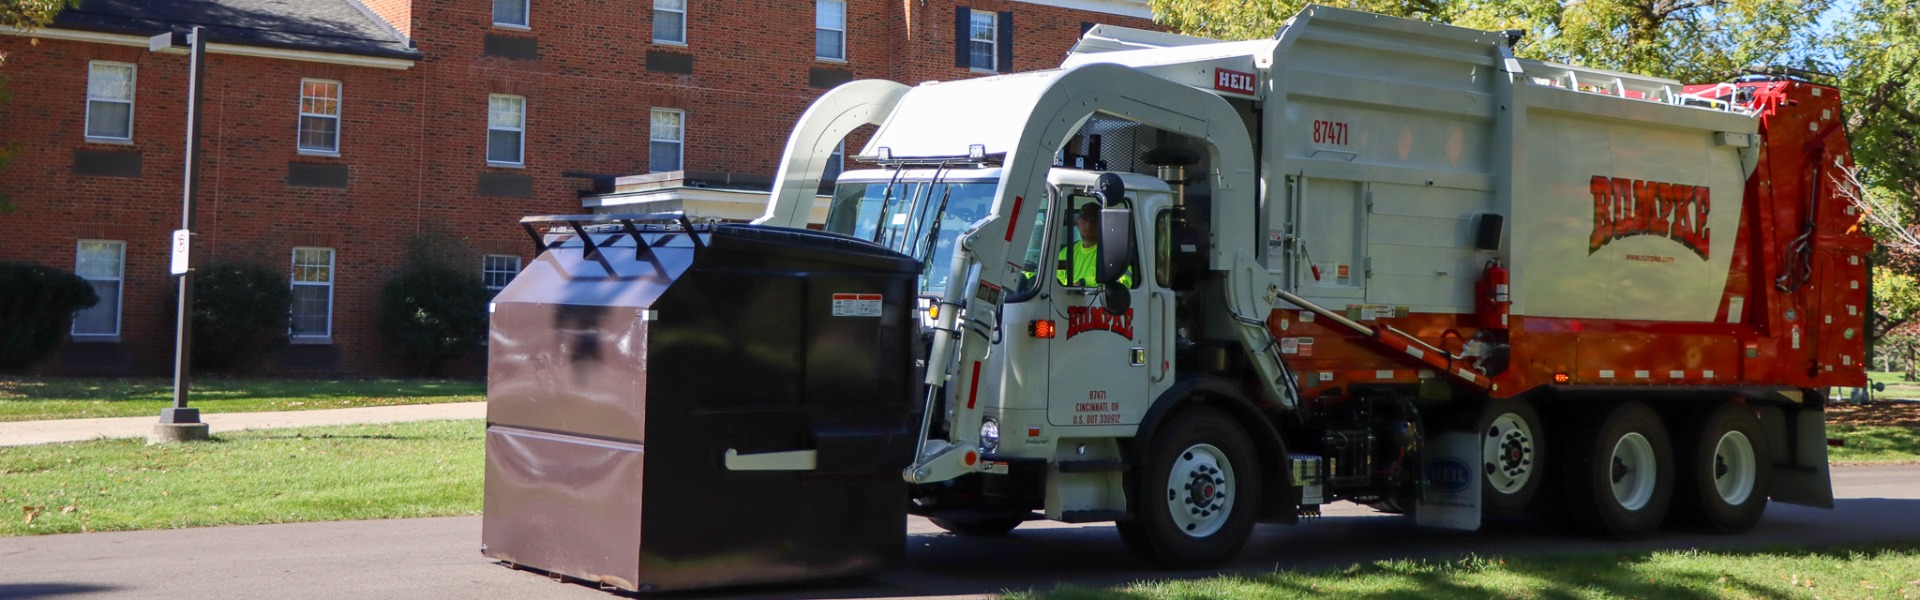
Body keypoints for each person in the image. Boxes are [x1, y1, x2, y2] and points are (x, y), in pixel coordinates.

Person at [1057, 202, 1133, 287]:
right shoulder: (1065, 253)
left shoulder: (1113, 252)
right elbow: (1056, 280)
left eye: (1094, 221)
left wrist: (1085, 283)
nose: (1088, 225)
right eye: (1085, 219)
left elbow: (1126, 280)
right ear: (1078, 222)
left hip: (1099, 295)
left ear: (1103, 224)